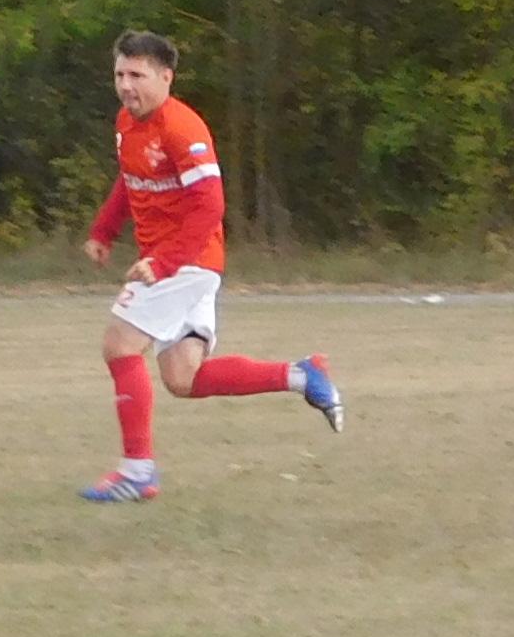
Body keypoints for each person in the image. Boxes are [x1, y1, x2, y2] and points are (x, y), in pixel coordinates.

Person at [79, 31, 343, 501]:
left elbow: (209, 207)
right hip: (183, 264)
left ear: (166, 77)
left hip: (187, 260)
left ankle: (138, 472)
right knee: (184, 378)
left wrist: (164, 263)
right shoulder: (126, 122)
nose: (125, 85)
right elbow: (129, 180)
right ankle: (301, 374)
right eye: (119, 74)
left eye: (136, 75)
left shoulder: (183, 129)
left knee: (120, 345)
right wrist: (104, 231)